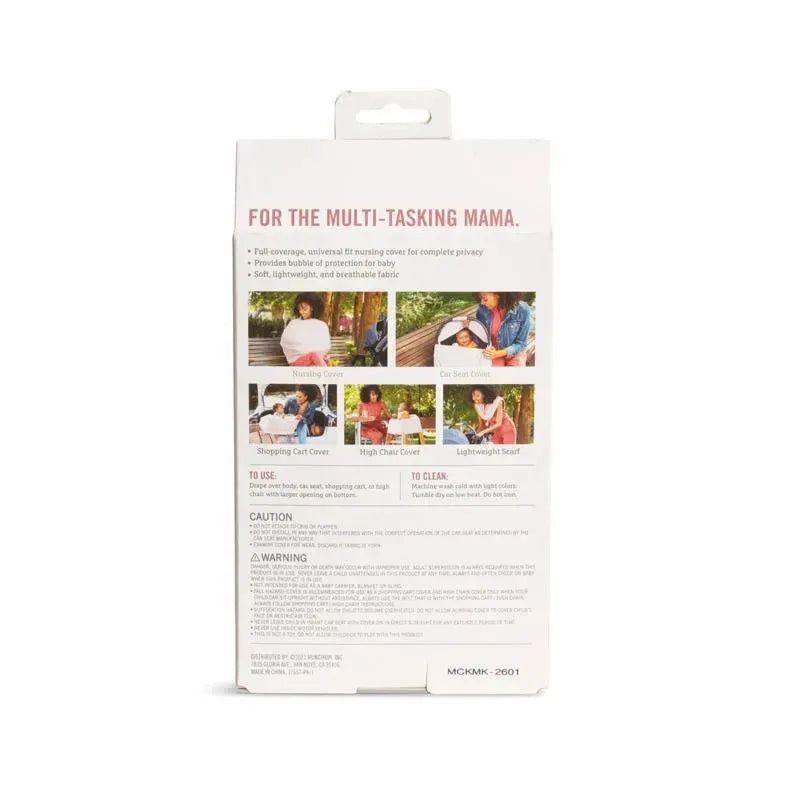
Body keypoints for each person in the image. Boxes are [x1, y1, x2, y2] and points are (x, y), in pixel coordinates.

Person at [475, 293, 532, 366]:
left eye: (485, 299)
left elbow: (521, 343)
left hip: (515, 354)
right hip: (492, 351)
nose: (482, 302)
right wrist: (469, 324)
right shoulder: (482, 310)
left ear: (498, 294)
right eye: (480, 298)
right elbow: (480, 336)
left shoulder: (523, 309)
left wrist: (498, 353)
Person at [279, 292, 331, 366]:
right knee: (313, 355)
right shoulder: (293, 324)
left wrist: (323, 356)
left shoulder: (321, 325)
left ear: (312, 308)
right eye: (299, 309)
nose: (301, 312)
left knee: (317, 359)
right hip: (296, 361)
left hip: (315, 362)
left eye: (304, 309)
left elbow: (325, 346)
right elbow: (286, 343)